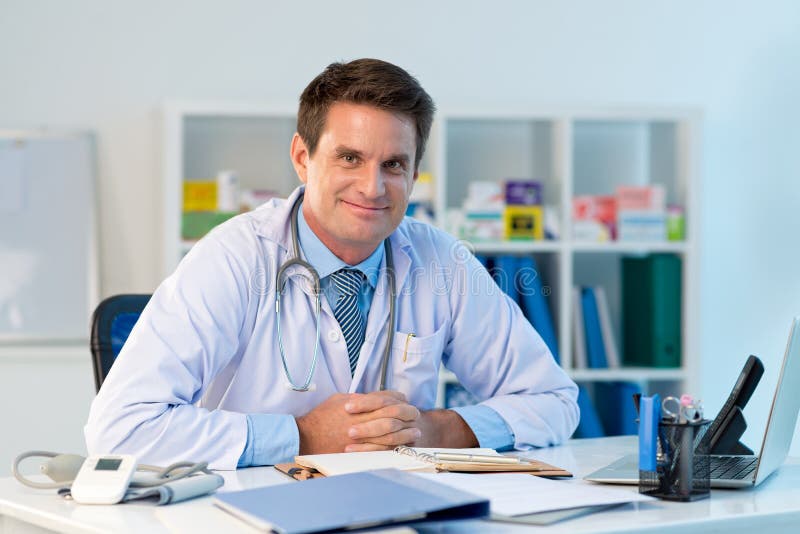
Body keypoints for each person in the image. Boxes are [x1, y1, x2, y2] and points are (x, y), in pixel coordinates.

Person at [85, 58, 579, 469]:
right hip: (253, 507)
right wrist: (300, 435)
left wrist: (438, 428)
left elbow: (554, 402)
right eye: (350, 158)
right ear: (303, 157)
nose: (372, 187)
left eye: (393, 165)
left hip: (396, 505)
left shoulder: (440, 260)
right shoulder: (235, 257)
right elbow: (121, 427)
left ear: (414, 173)